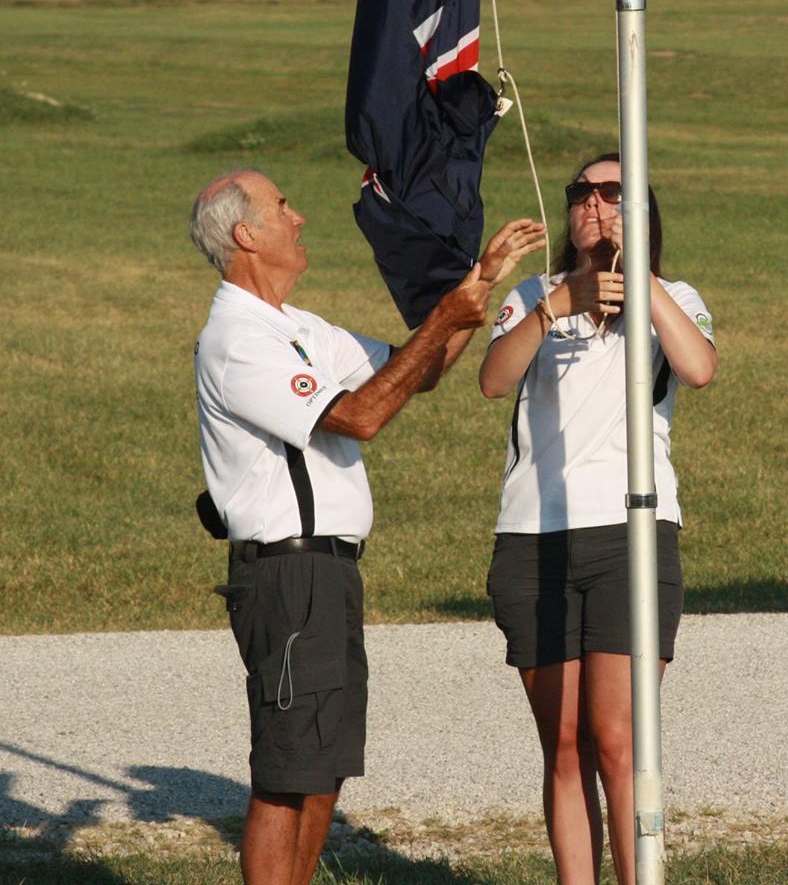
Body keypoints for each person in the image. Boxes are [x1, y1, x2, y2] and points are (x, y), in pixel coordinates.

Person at [189, 168, 544, 885]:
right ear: (245, 235)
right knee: (288, 769)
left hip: (327, 573)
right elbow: (362, 415)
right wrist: (446, 316)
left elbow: (420, 370)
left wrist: (477, 286)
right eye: (282, 207)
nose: (300, 218)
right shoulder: (236, 338)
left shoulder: (300, 328)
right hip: (287, 574)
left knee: (322, 766)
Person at [479, 153, 717, 885]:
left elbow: (699, 368)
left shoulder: (673, 294)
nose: (593, 204)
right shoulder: (533, 295)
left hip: (632, 536)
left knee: (618, 739)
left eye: (612, 192)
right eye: (581, 193)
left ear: (640, 208)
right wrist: (562, 302)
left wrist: (636, 278)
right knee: (564, 744)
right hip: (534, 537)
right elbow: (493, 381)